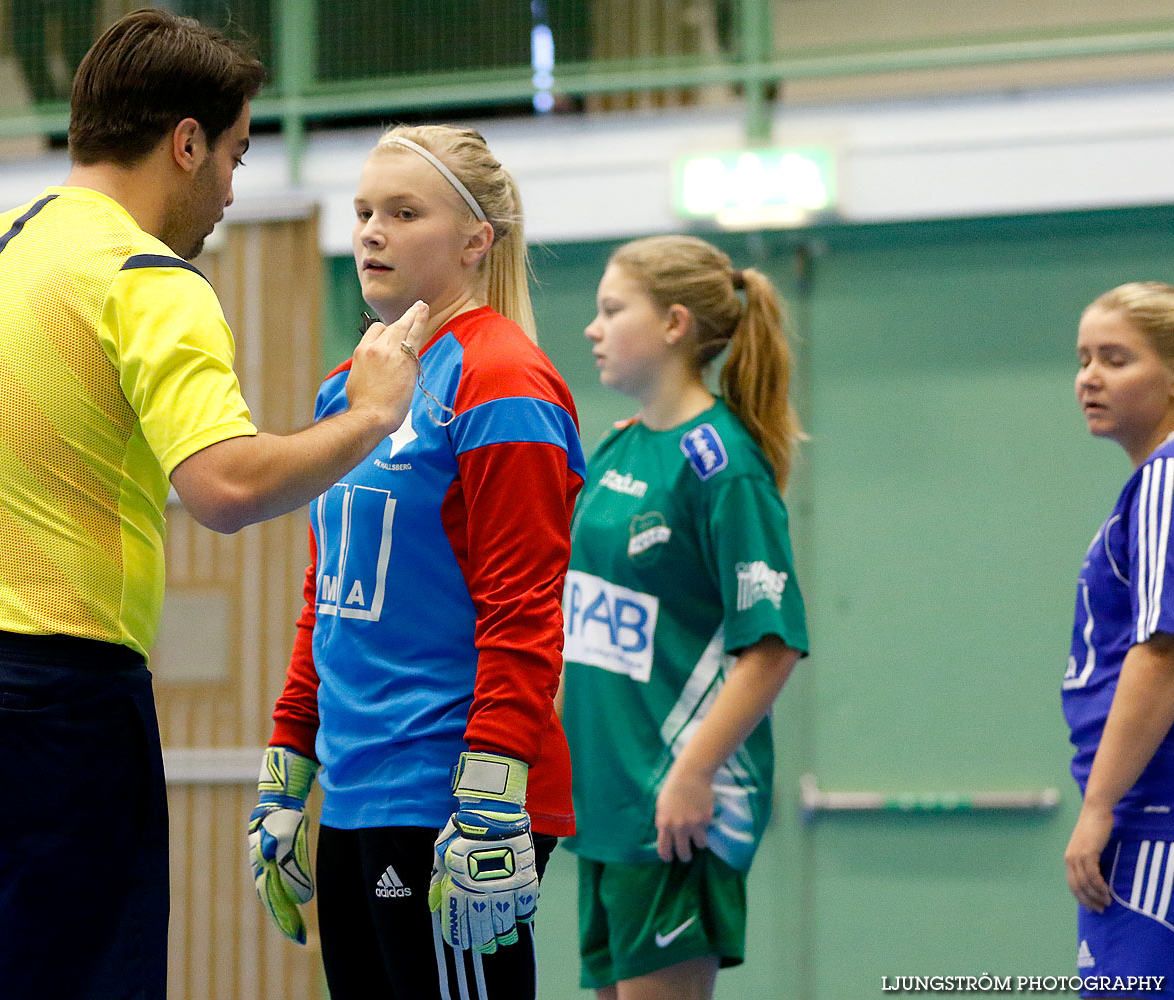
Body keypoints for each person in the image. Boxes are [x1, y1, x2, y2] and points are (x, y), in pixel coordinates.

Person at [0, 10, 430, 999]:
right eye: (235, 154)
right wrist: (369, 414)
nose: (233, 189)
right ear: (184, 142)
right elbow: (226, 485)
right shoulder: (146, 278)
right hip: (48, 707)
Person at [248, 124, 585, 1000]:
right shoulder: (351, 385)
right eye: (363, 211)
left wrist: (491, 797)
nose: (370, 231)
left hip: (451, 793)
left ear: (477, 239)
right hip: (358, 791)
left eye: (403, 212)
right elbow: (328, 599)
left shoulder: (504, 379)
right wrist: (288, 765)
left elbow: (526, 610)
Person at [561, 235, 807, 999]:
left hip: (671, 803)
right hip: (602, 798)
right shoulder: (614, 448)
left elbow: (771, 645)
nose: (592, 329)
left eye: (611, 310)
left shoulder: (723, 466)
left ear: (673, 325)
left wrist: (694, 772)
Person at [1064, 282, 1174, 997]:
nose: (1089, 378)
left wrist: (1101, 805)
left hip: (1159, 815)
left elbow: (1164, 651)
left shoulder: (1169, 475)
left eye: (1116, 358)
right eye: (1082, 359)